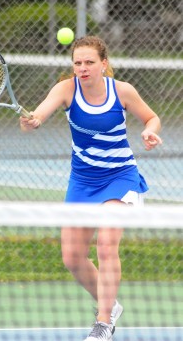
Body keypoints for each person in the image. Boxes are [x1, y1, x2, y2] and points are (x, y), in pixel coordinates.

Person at [19, 36, 162, 341]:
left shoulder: (122, 91)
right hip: (83, 180)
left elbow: (151, 117)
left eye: (89, 62)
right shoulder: (66, 89)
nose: (82, 68)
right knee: (72, 257)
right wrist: (32, 121)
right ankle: (111, 305)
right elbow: (40, 114)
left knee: (107, 245)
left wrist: (149, 131)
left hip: (120, 177)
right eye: (77, 63)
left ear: (103, 64)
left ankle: (103, 323)